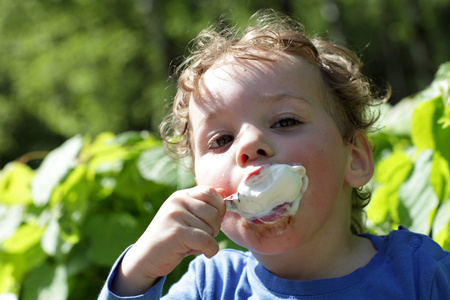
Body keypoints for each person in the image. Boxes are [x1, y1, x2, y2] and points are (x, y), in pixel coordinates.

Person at [98, 10, 450, 299]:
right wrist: (139, 271)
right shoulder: (212, 287)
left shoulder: (420, 273)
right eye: (221, 140)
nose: (249, 144)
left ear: (354, 158)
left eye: (285, 121)